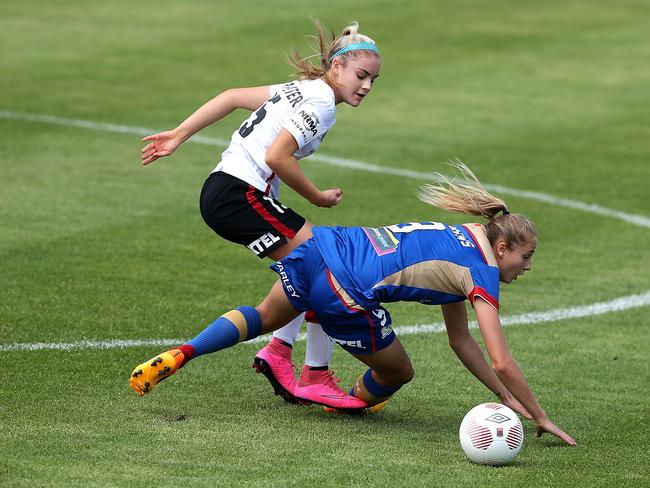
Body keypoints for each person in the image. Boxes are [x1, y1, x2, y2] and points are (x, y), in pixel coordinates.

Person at [130, 162, 577, 446]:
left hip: (326, 244)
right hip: (346, 287)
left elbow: (460, 340)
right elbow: (500, 360)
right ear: (502, 250)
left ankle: (184, 352)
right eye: (526, 256)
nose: (528, 266)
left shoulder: (462, 238)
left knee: (264, 317)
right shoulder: (481, 273)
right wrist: (538, 414)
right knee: (398, 371)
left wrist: (502, 398)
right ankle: (342, 403)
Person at [139, 21, 382, 410]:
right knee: (327, 269)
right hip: (241, 194)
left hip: (223, 188)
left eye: (373, 78)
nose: (367, 85)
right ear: (335, 68)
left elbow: (233, 95)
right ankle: (312, 372)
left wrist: (179, 134)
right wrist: (317, 196)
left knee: (314, 268)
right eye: (361, 75)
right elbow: (276, 157)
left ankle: (280, 352)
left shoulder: (299, 89)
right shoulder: (320, 102)